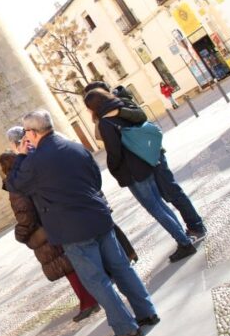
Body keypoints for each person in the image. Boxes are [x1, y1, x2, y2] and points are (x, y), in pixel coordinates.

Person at [6, 110, 158, 336]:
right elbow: (95, 178)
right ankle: (147, 311)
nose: (25, 137)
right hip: (98, 216)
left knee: (96, 279)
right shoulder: (74, 146)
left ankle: (126, 328)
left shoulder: (33, 161)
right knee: (121, 268)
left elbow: (14, 184)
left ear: (33, 133)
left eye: (26, 132)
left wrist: (22, 156)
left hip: (72, 229)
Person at [84, 81, 207, 242]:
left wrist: (118, 112)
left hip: (152, 155)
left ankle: (196, 226)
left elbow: (140, 116)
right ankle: (184, 234)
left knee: (171, 192)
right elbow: (99, 135)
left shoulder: (121, 102)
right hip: (142, 159)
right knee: (162, 198)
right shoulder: (104, 114)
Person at [5, 126, 138, 263]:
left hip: (74, 201)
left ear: (16, 143)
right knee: (106, 226)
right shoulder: (50, 142)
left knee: (98, 234)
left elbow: (17, 184)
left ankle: (121, 259)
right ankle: (127, 254)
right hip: (88, 192)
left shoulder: (31, 156)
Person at [0, 151, 101, 322]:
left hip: (44, 231)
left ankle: (88, 301)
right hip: (57, 220)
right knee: (72, 261)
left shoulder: (15, 186)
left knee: (66, 266)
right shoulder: (32, 172)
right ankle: (92, 296)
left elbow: (24, 214)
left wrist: (21, 234)